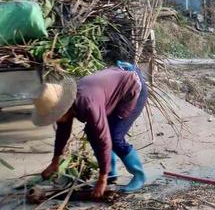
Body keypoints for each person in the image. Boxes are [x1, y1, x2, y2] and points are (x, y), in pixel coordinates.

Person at [32, 62, 148, 199]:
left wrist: (101, 179)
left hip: (132, 87)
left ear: (62, 108)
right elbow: (62, 132)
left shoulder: (88, 104)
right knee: (92, 132)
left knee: (114, 137)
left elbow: (104, 138)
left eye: (54, 115)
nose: (55, 119)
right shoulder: (68, 104)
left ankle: (139, 175)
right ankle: (111, 172)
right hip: (114, 86)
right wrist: (55, 161)